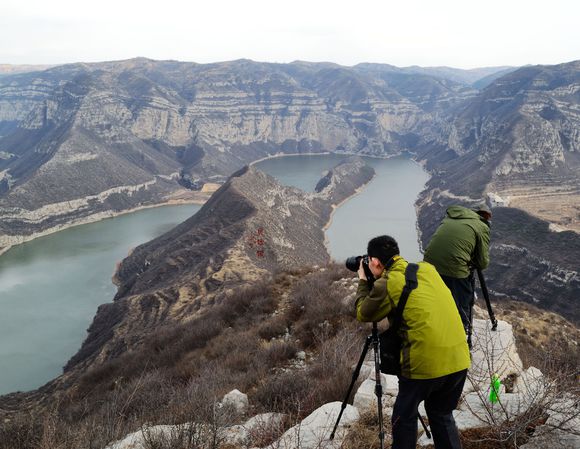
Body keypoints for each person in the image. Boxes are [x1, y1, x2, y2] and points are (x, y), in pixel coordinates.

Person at [355, 235, 470, 449]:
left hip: (424, 366)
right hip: (459, 360)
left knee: (404, 416)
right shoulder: (427, 270)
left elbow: (364, 313)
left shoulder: (388, 283)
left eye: (370, 262)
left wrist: (363, 281)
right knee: (441, 413)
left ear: (375, 262)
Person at [423, 204, 491, 335]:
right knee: (462, 301)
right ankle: (461, 332)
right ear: (486, 217)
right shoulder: (482, 226)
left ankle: (435, 325)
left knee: (436, 297)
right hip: (454, 268)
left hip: (428, 265)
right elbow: (482, 262)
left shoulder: (451, 218)